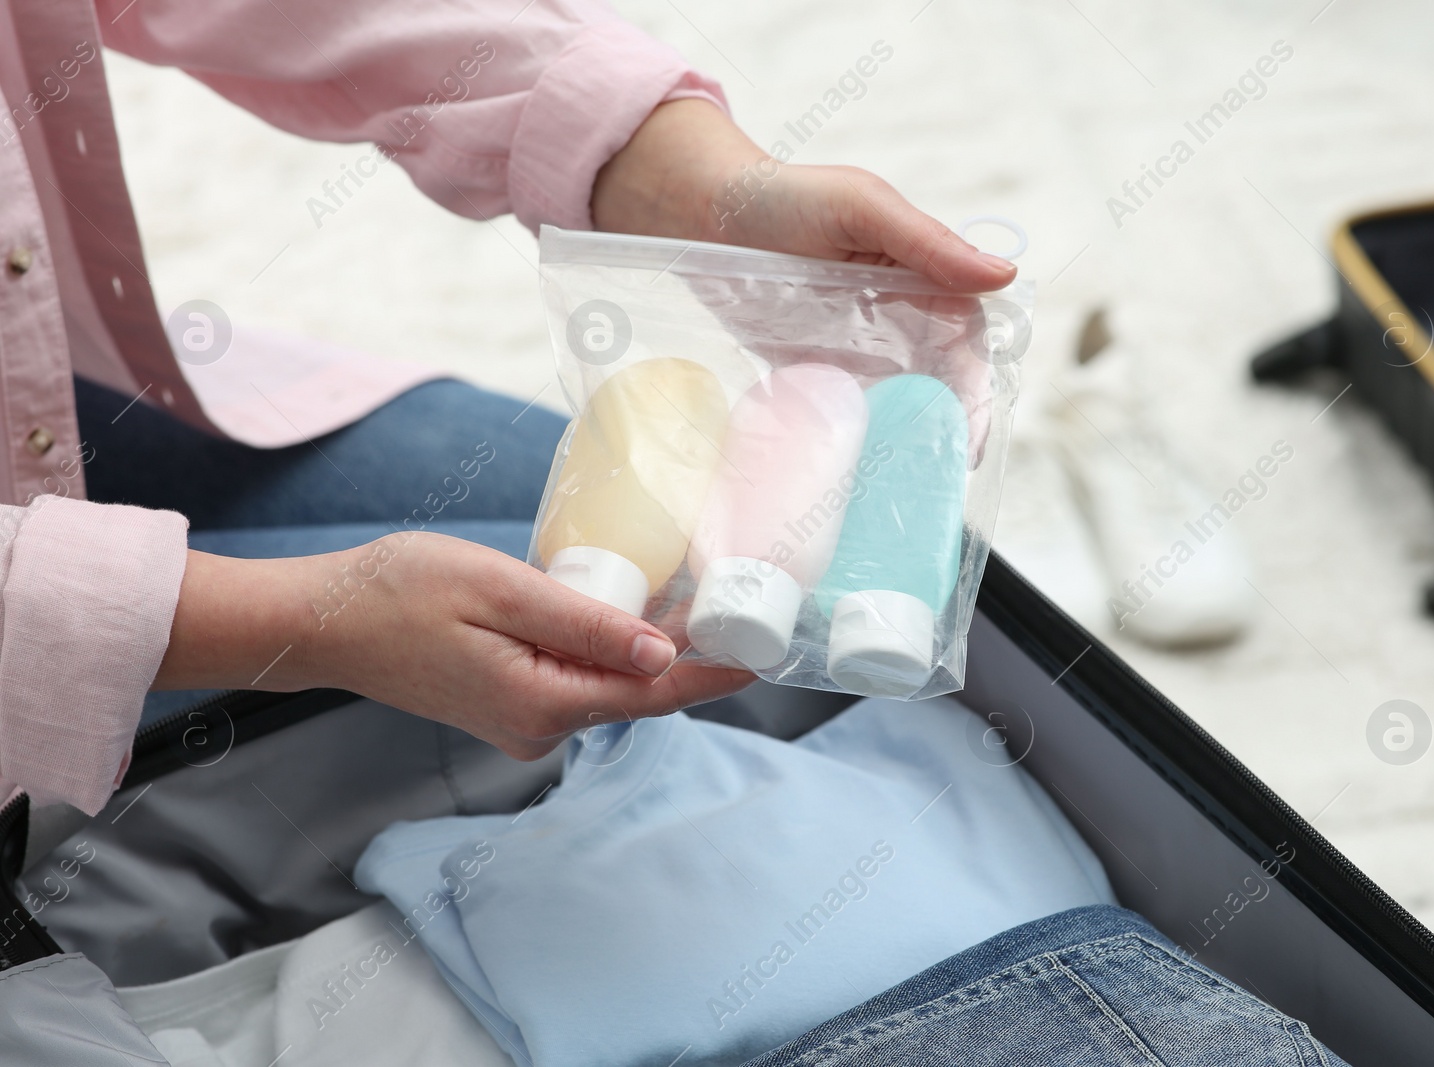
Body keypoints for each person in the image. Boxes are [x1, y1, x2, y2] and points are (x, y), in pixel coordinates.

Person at [0, 0, 1017, 816]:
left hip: (48, 387)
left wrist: (681, 182)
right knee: (560, 609)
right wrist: (301, 625)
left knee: (601, 517)